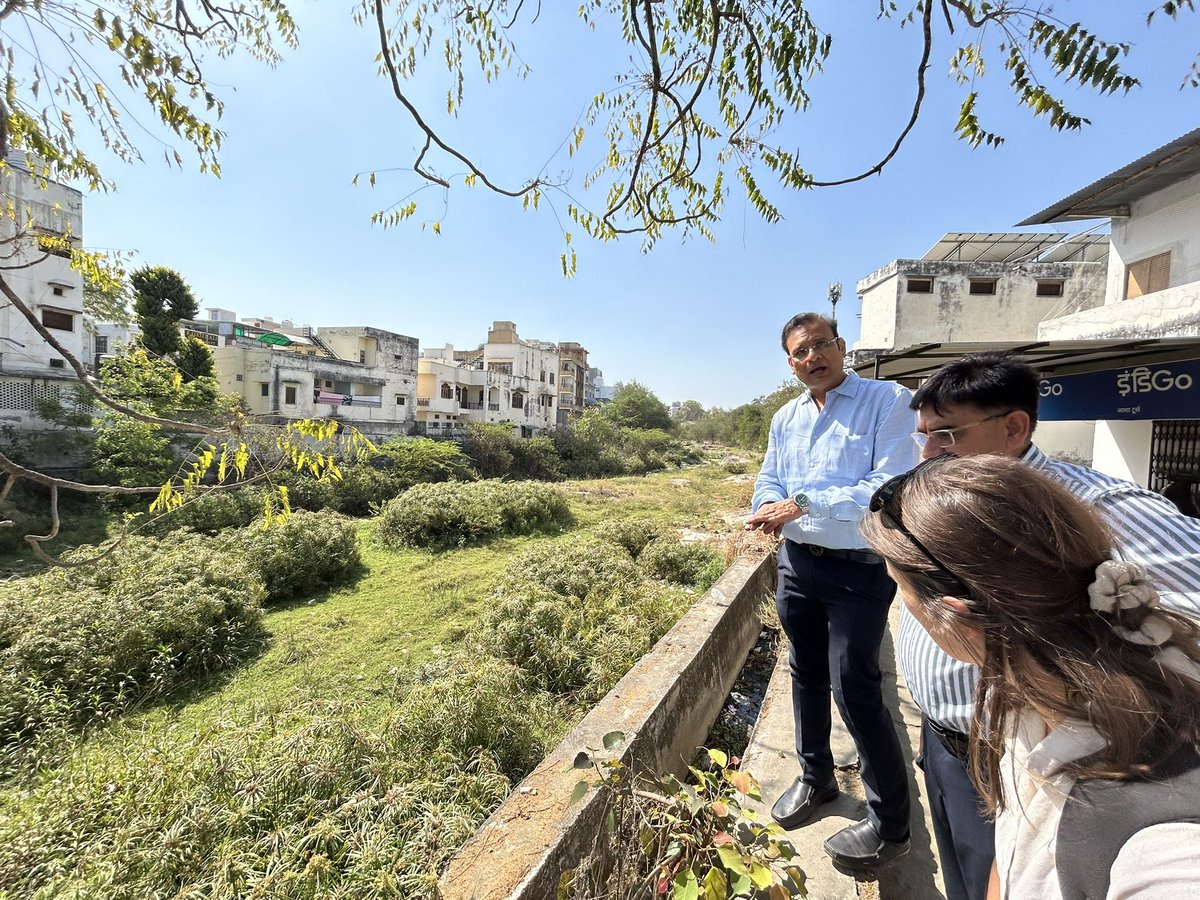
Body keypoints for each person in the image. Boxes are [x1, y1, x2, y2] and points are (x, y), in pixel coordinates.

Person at [900, 352, 1200, 900]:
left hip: (1047, 767)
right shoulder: (949, 500)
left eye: (946, 434)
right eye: (923, 435)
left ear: (1014, 427)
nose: (928, 452)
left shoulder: (1099, 507)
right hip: (954, 742)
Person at [747, 312, 918, 871]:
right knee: (805, 671)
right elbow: (769, 477)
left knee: (856, 686)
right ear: (790, 361)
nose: (812, 357)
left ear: (842, 346)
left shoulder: (887, 402)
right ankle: (815, 776)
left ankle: (891, 824)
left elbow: (888, 486)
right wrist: (766, 509)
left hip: (859, 567)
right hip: (797, 562)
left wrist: (804, 502)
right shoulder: (786, 417)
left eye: (821, 345)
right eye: (800, 351)